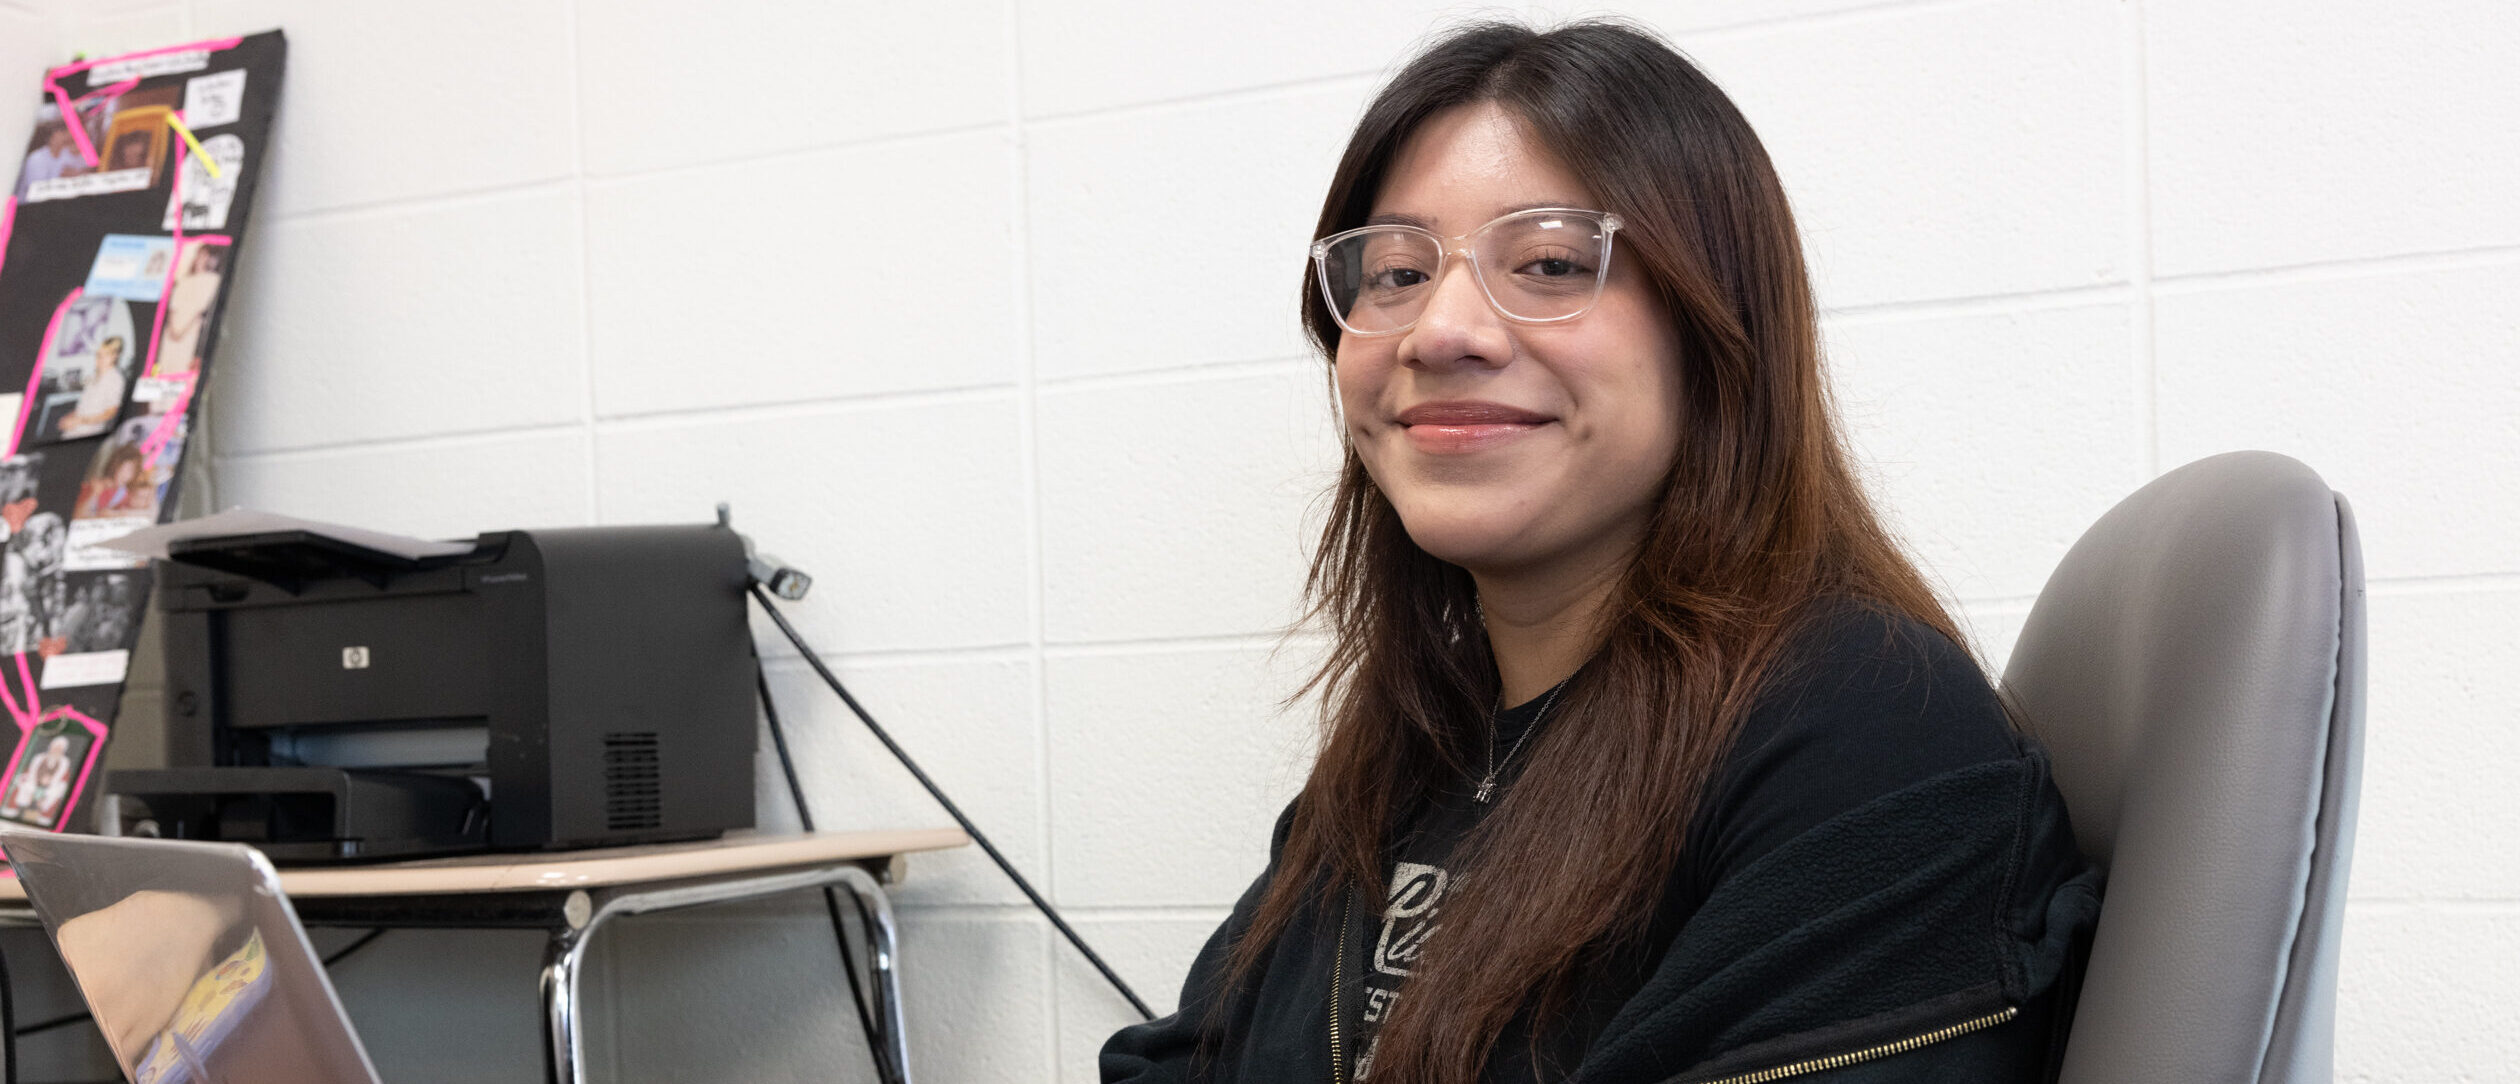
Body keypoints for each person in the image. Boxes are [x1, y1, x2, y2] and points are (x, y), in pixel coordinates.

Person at [1101, 21, 2099, 1084]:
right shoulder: (1422, 743)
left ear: (1718, 332)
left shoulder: (1867, 730)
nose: (1442, 330)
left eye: (1548, 262)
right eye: (1394, 272)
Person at [154, 244, 224, 376]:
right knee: (163, 368)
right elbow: (173, 307)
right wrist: (174, 328)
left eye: (205, 256)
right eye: (199, 254)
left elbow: (200, 309)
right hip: (171, 333)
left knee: (180, 370)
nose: (200, 259)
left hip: (189, 333)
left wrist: (181, 330)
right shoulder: (184, 280)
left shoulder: (212, 280)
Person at [57, 335, 130, 439]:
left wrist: (80, 421)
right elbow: (84, 407)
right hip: (75, 428)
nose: (99, 359)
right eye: (98, 355)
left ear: (115, 356)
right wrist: (69, 417)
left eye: (105, 355)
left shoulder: (115, 379)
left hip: (89, 433)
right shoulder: (94, 376)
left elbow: (110, 413)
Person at [15, 125, 83, 199]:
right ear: (54, 136)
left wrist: (74, 175)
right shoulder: (37, 158)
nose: (67, 136)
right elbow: (35, 189)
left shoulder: (65, 155)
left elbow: (79, 172)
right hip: (29, 203)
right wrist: (62, 178)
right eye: (63, 133)